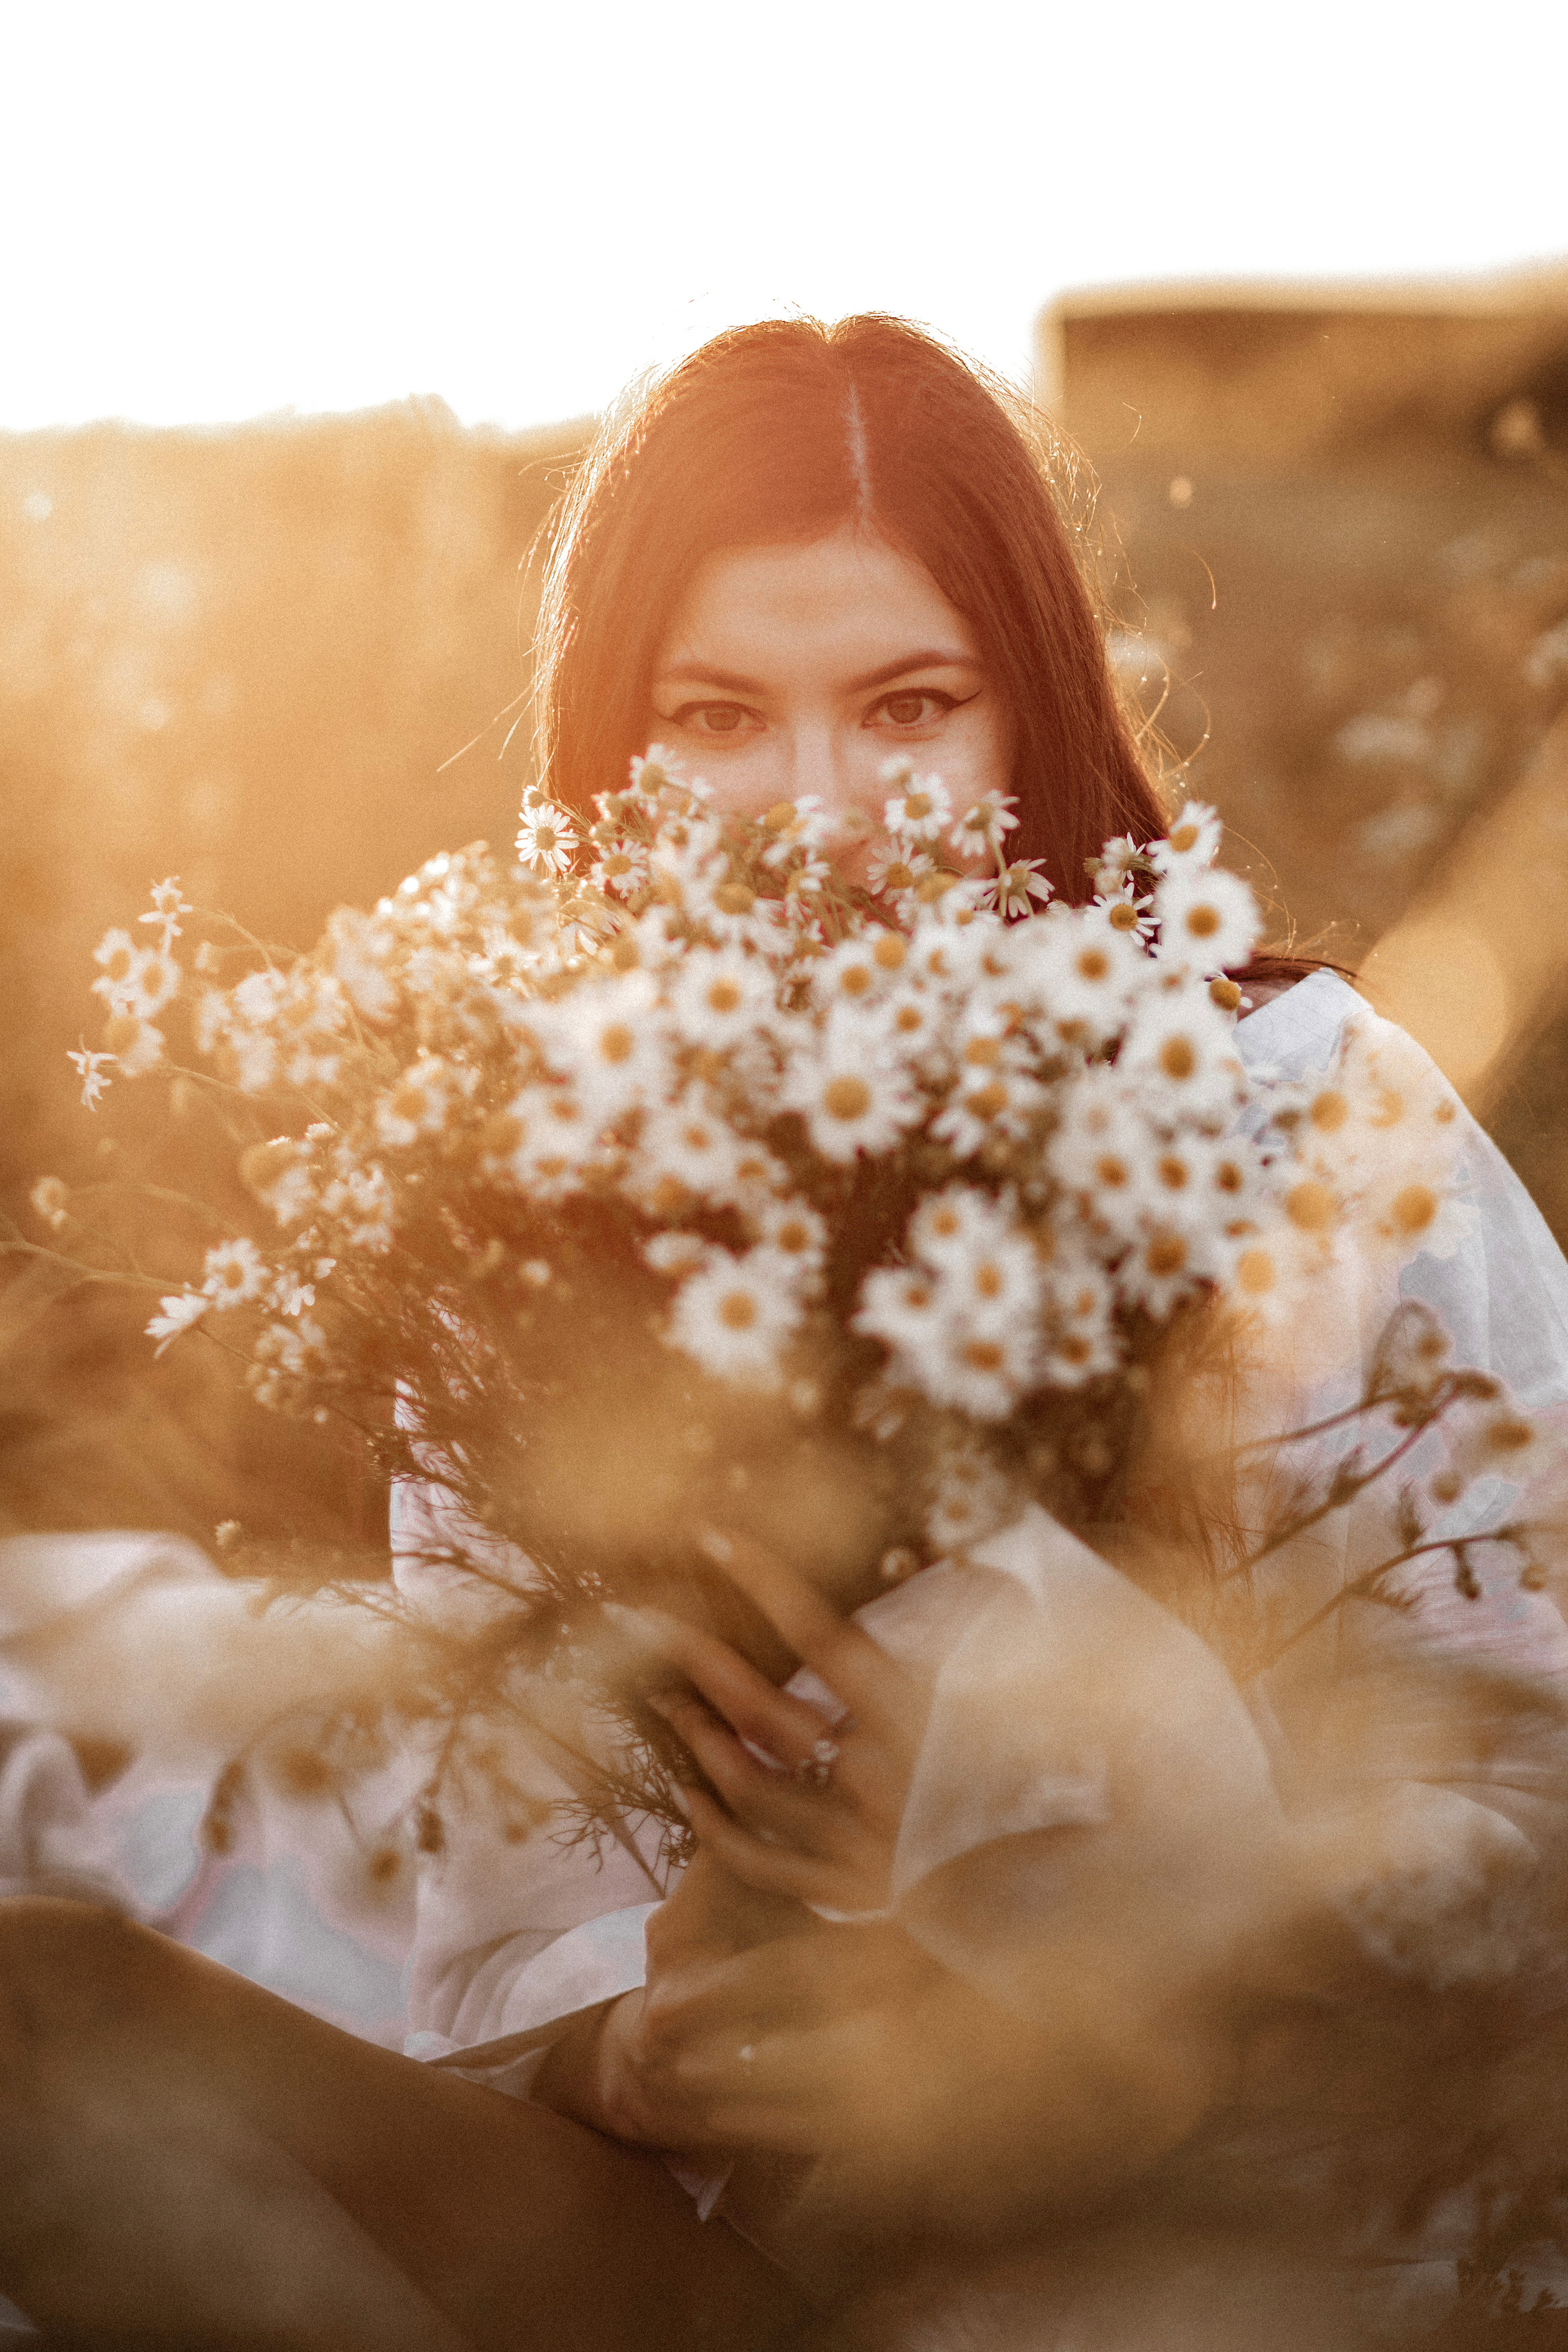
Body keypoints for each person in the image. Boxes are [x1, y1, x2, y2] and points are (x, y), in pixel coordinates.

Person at [2, 313, 1567, 2350]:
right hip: (718, 2258)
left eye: (909, 705)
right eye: (718, 719)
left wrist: (1083, 1974)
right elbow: (486, 1917)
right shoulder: (526, 1210)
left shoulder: (1292, 1109)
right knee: (47, 2017)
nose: (818, 809)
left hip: (1238, 2244)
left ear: (1037, 720)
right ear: (608, 761)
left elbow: (1526, 1807)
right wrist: (624, 2054)